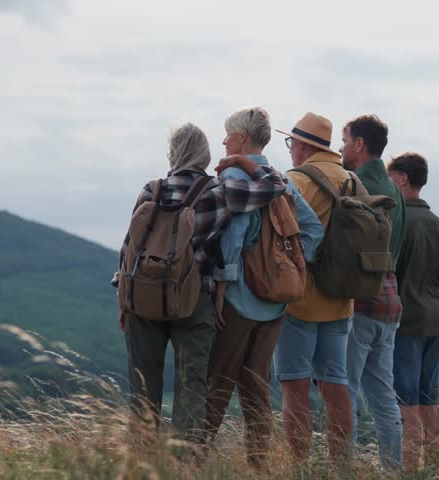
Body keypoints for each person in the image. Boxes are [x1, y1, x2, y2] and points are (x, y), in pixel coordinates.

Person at [113, 122, 287, 447]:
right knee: (192, 385)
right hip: (195, 300)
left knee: (142, 387)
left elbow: (130, 248)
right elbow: (276, 186)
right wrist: (243, 163)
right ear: (205, 156)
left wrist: (123, 298)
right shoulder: (218, 193)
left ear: (174, 154)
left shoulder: (152, 190)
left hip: (144, 298)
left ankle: (141, 463)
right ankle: (185, 464)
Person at [203, 107, 324, 467]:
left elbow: (236, 234)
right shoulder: (280, 179)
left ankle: (189, 464)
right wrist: (291, 264)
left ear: (241, 138)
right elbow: (313, 230)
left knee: (217, 383)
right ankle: (259, 467)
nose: (223, 141)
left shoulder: (235, 174)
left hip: (240, 299)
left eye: (227, 135)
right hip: (276, 302)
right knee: (256, 389)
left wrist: (223, 284)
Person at [273, 112, 359, 461]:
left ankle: (300, 467)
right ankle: (339, 466)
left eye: (293, 143)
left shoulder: (296, 180)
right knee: (335, 386)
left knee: (294, 387)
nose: (291, 150)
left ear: (304, 145)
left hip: (300, 301)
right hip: (341, 299)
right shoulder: (352, 181)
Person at [339, 114, 406, 470]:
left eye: (345, 139)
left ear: (360, 144)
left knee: (344, 388)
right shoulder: (396, 189)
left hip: (363, 298)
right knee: (383, 396)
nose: (341, 146)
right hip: (391, 298)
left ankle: (342, 468)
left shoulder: (356, 183)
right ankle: (392, 470)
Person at [387, 152, 439, 470]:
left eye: (389, 177)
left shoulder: (400, 221)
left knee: (405, 403)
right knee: (429, 402)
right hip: (437, 321)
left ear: (401, 179)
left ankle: (410, 471)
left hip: (407, 322)